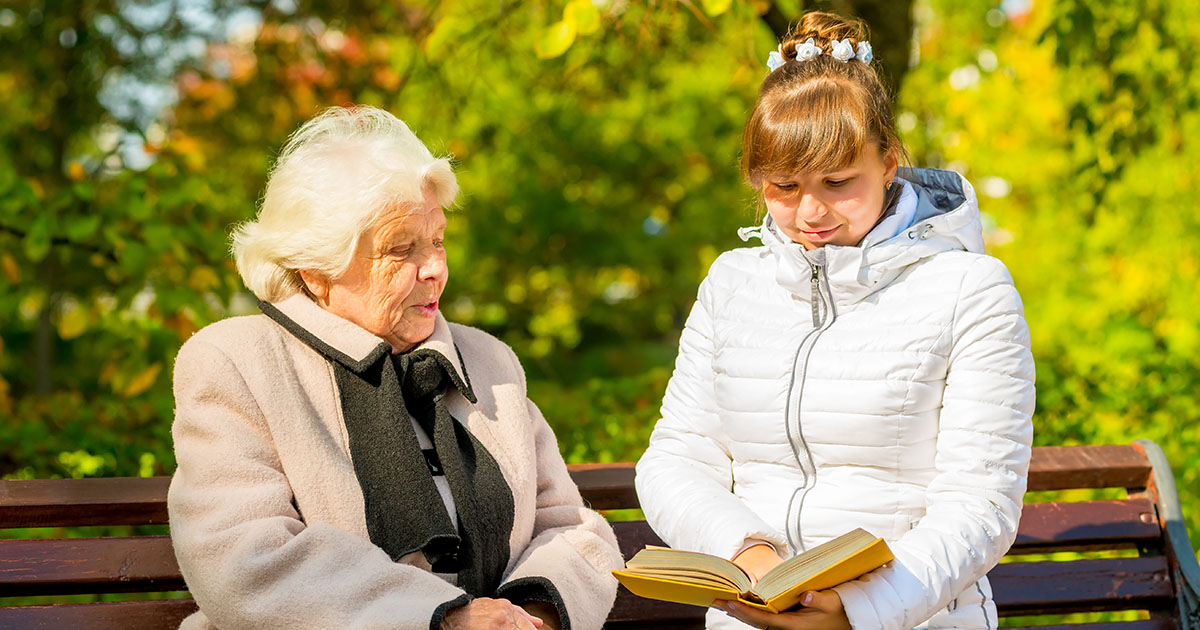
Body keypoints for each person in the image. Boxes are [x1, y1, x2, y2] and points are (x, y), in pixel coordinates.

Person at [634, 11, 1035, 630]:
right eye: (783, 186)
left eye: (838, 182)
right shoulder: (731, 285)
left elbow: (980, 504)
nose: (811, 212)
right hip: (756, 614)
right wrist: (750, 549)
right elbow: (677, 460)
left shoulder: (969, 290)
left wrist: (857, 610)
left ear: (890, 161)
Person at [168, 105, 623, 630]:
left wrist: (533, 615)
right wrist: (444, 622)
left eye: (438, 239)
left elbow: (571, 527)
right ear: (317, 270)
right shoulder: (237, 362)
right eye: (401, 248)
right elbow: (244, 562)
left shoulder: (486, 360)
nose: (434, 268)